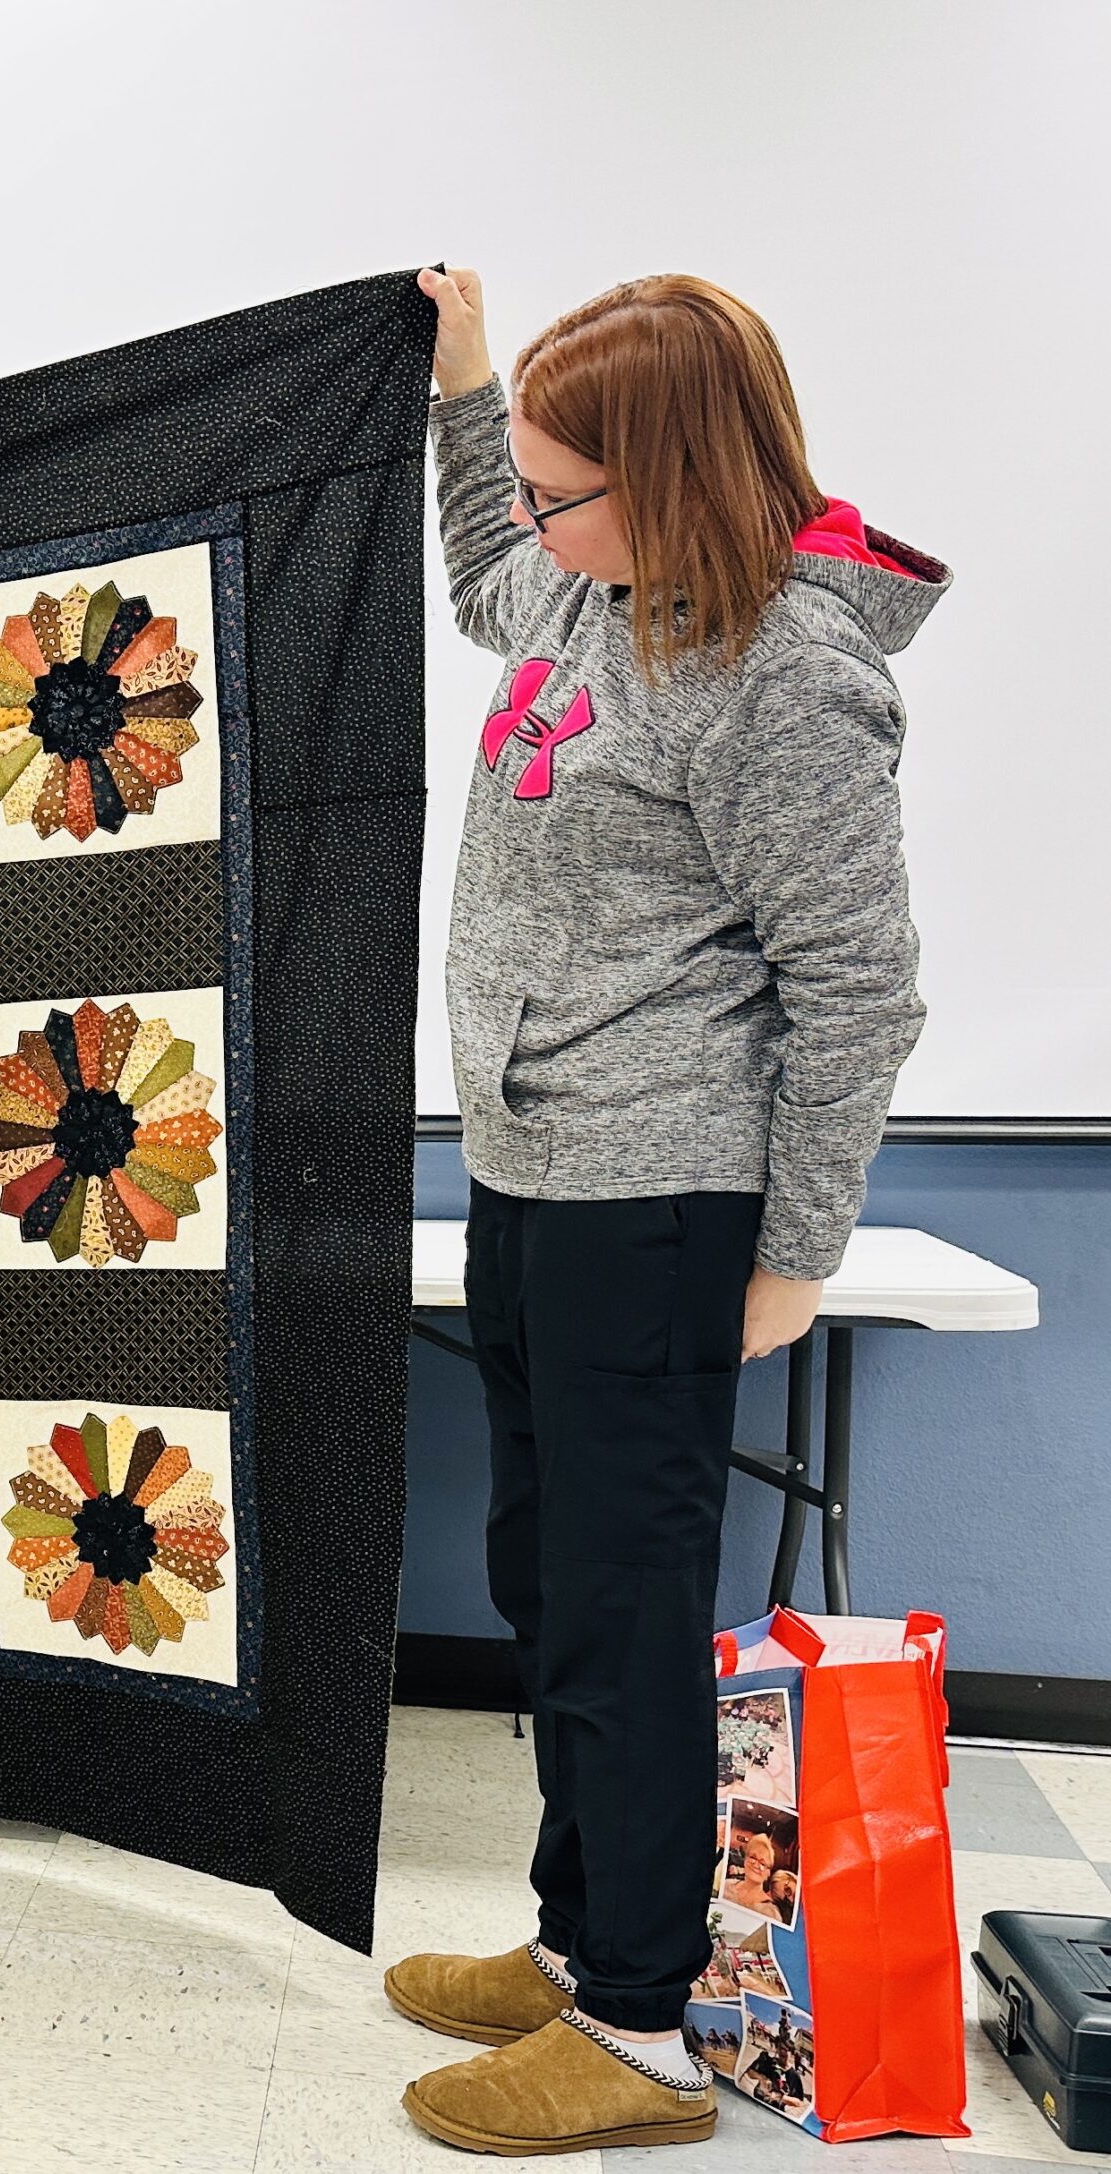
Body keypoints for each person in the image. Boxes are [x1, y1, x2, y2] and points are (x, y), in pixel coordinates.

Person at [379, 269, 942, 2154]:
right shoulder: (582, 587)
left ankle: (639, 2032)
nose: (531, 521)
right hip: (536, 1176)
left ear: (673, 476)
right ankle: (576, 1940)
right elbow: (484, 566)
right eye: (533, 484)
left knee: (624, 1617)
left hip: (664, 1202)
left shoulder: (786, 680)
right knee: (549, 1583)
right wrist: (468, 387)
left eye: (562, 490)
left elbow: (859, 989)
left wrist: (796, 1250)